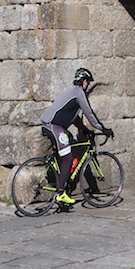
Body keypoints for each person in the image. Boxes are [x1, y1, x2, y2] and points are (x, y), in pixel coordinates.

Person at [40, 67, 113, 207]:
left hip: (52, 125)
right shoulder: (79, 93)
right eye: (88, 82)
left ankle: (62, 186)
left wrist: (84, 129)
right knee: (67, 158)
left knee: (67, 152)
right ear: (84, 82)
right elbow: (89, 114)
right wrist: (103, 129)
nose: (88, 85)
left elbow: (73, 117)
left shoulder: (71, 93)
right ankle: (61, 193)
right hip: (54, 126)